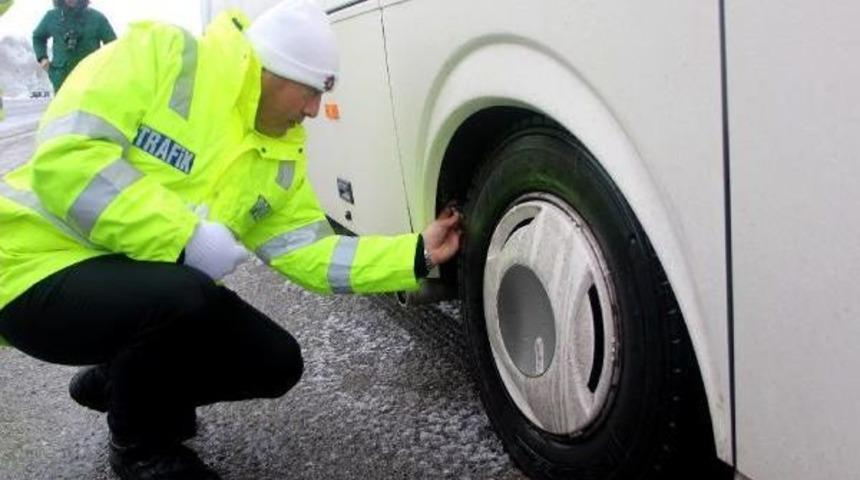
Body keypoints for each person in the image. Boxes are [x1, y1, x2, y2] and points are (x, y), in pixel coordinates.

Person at [0, 1, 462, 479]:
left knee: (277, 361)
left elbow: (314, 253)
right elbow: (67, 158)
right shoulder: (161, 55)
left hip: (137, 291)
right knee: (187, 295)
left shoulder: (276, 156)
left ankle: (119, 382)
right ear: (271, 71)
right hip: (30, 270)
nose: (314, 110)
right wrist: (184, 238)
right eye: (310, 91)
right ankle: (141, 449)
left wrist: (417, 251)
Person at [32, 0, 116, 92]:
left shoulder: (97, 18)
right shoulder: (51, 17)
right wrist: (42, 58)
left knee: (87, 106)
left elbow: (113, 46)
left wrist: (106, 68)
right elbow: (38, 37)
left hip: (90, 80)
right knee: (64, 106)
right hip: (61, 80)